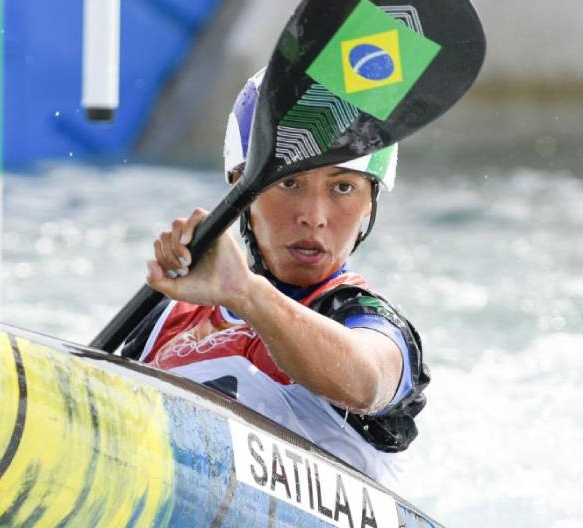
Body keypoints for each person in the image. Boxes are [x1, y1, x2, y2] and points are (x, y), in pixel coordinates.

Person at [121, 67, 429, 488]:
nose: (314, 217)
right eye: (289, 182)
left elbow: (367, 384)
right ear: (239, 189)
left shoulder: (368, 320)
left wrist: (247, 293)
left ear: (369, 205)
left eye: (342, 188)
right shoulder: (164, 319)